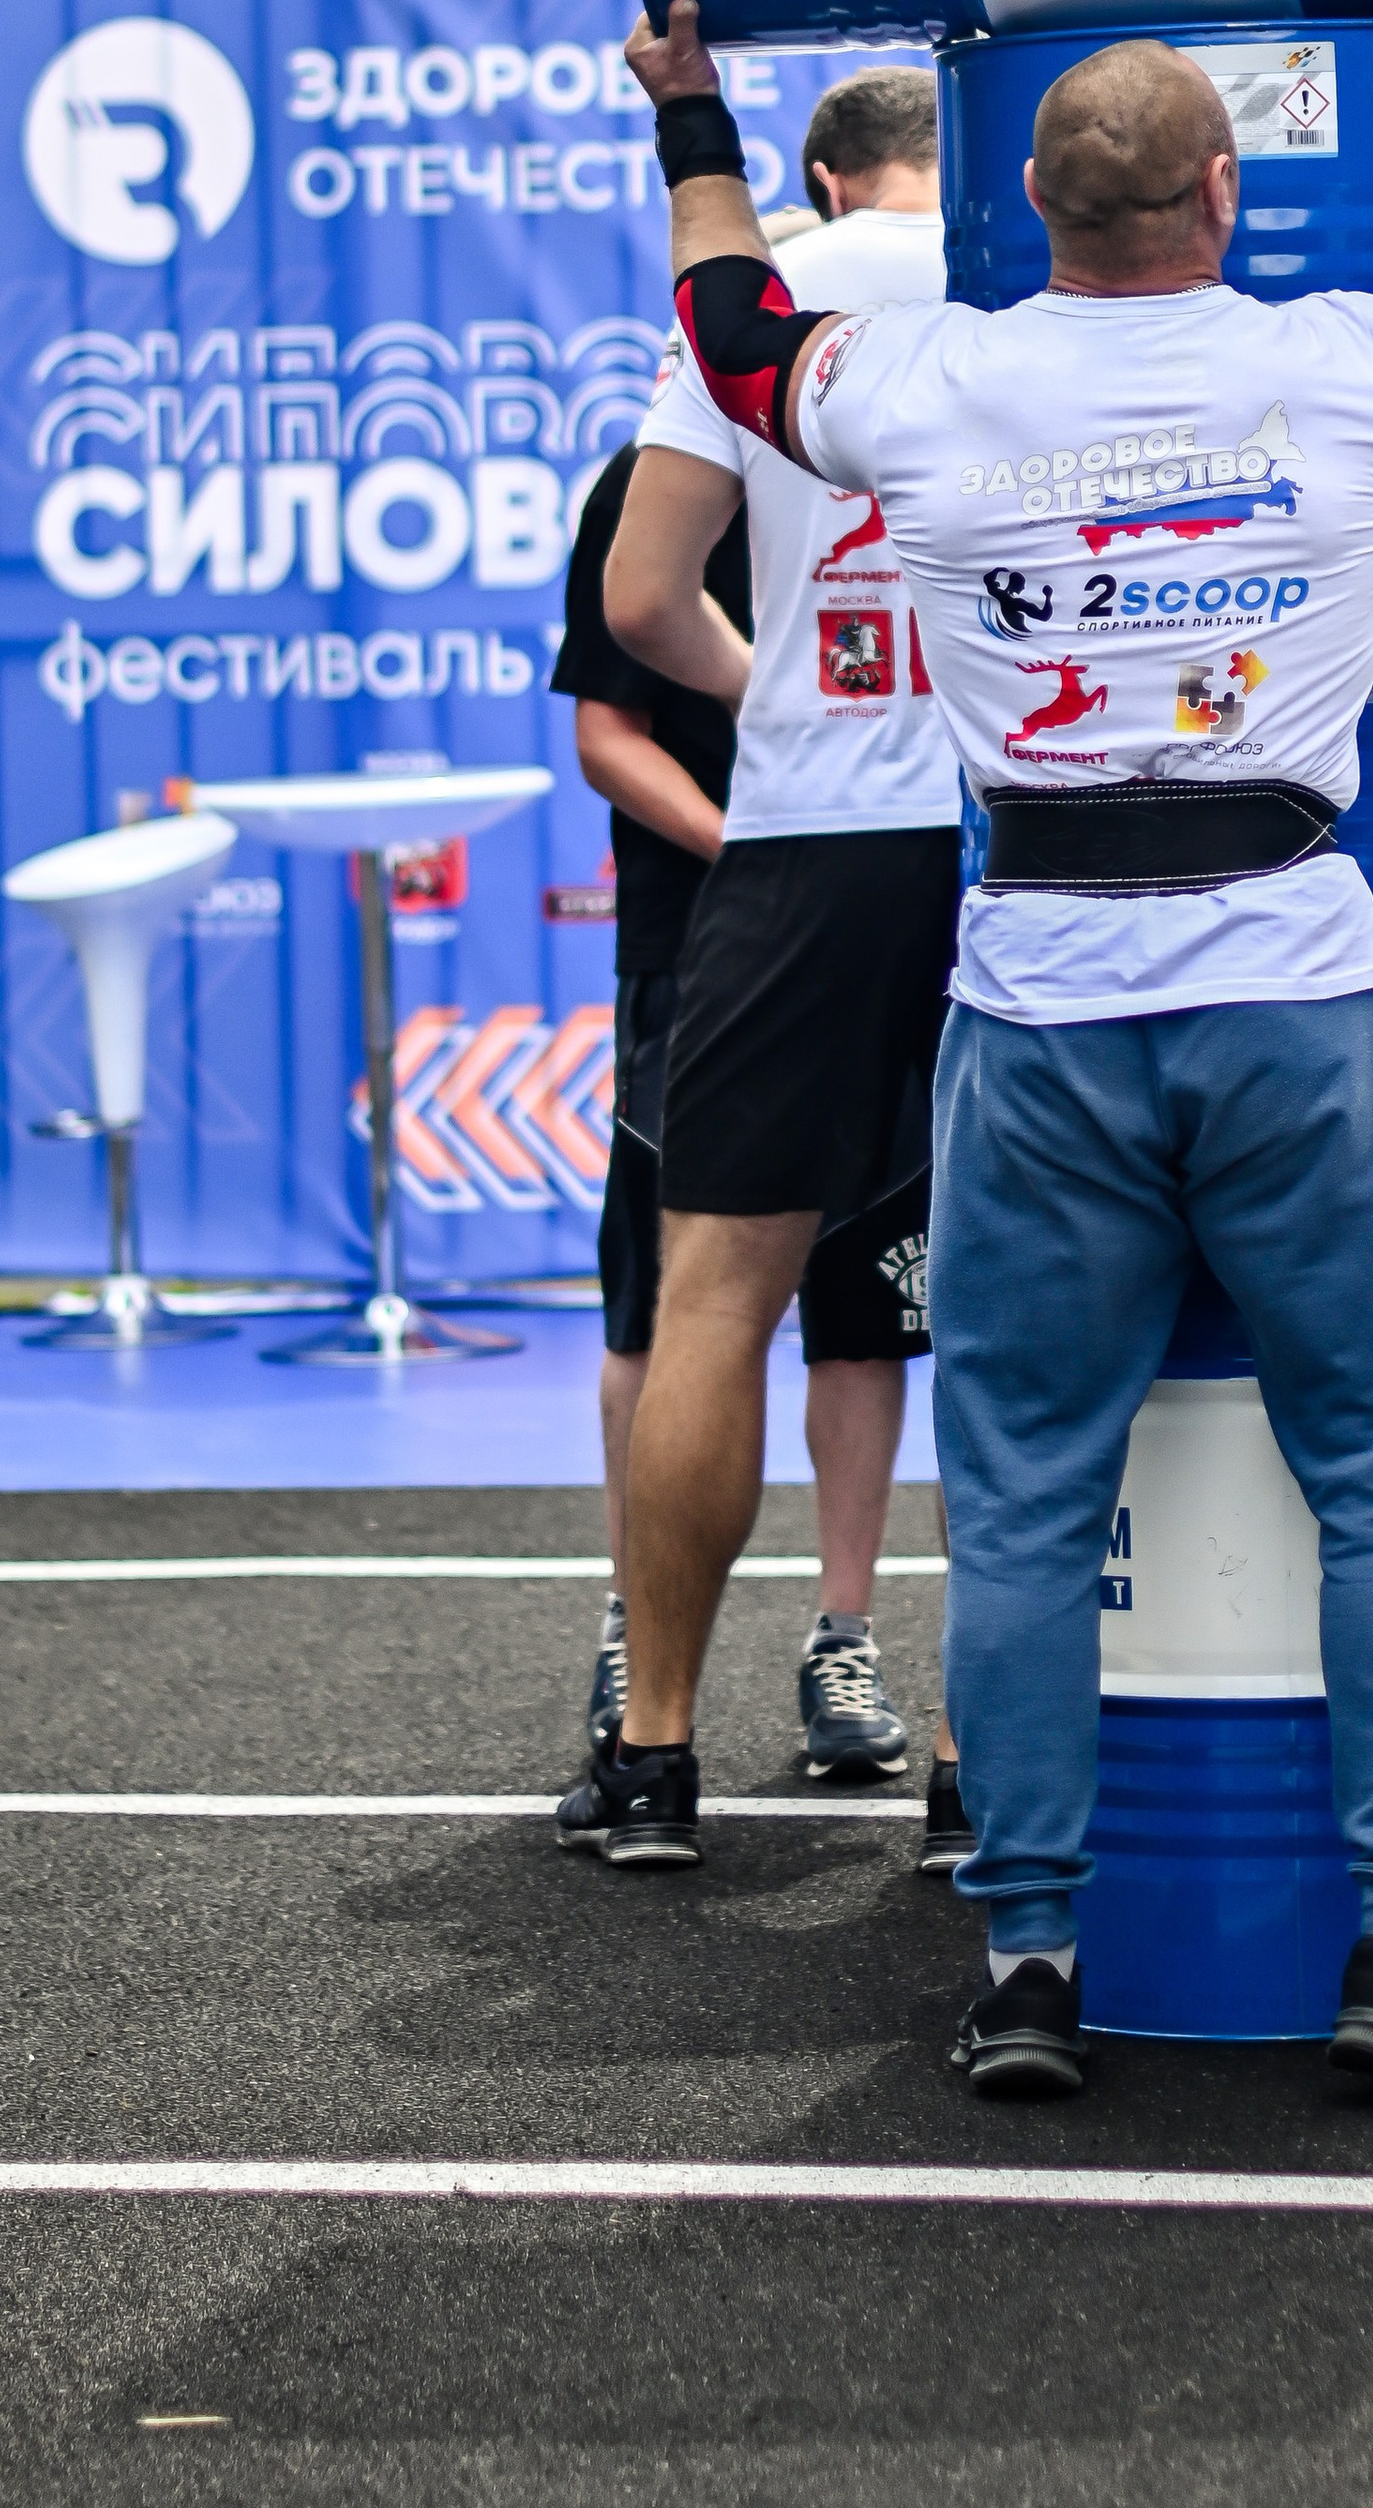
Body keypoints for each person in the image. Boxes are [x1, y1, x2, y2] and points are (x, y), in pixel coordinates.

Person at [632, 0, 1373, 2096]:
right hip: (1298, 986)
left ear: (1024, 202)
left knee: (1021, 1504)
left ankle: (1027, 1959)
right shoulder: (1347, 362)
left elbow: (734, 334)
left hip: (1033, 997)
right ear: (1222, 192)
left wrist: (690, 115)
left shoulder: (924, 380)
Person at [575, 66, 970, 1870]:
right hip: (1013, 834)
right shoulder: (1035, 267)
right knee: (1033, 1307)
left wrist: (792, 683)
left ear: (825, 169)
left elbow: (649, 598)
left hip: (810, 839)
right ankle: (994, 1753)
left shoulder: (770, 296)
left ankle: (654, 1754)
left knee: (709, 1302)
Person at [546, 441, 748, 1764]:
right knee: (668, 1305)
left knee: (888, 1322)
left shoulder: (914, 445)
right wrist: (756, 852)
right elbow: (606, 731)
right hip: (696, 944)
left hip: (901, 931)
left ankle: (853, 1638)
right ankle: (645, 1662)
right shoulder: (658, 477)